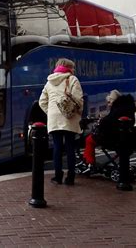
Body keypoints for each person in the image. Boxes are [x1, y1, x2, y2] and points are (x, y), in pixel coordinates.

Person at [39, 58, 83, 186]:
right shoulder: (72, 79)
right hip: (69, 118)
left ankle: (57, 176)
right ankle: (70, 177)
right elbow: (79, 100)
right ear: (70, 68)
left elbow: (42, 101)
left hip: (54, 119)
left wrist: (51, 112)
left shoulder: (49, 82)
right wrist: (78, 112)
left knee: (57, 147)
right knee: (70, 147)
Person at [82, 89, 122, 168]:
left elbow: (108, 123)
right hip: (119, 137)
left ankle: (90, 162)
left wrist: (102, 120)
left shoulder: (115, 110)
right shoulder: (123, 108)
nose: (108, 104)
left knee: (89, 139)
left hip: (112, 139)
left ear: (113, 101)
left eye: (109, 102)